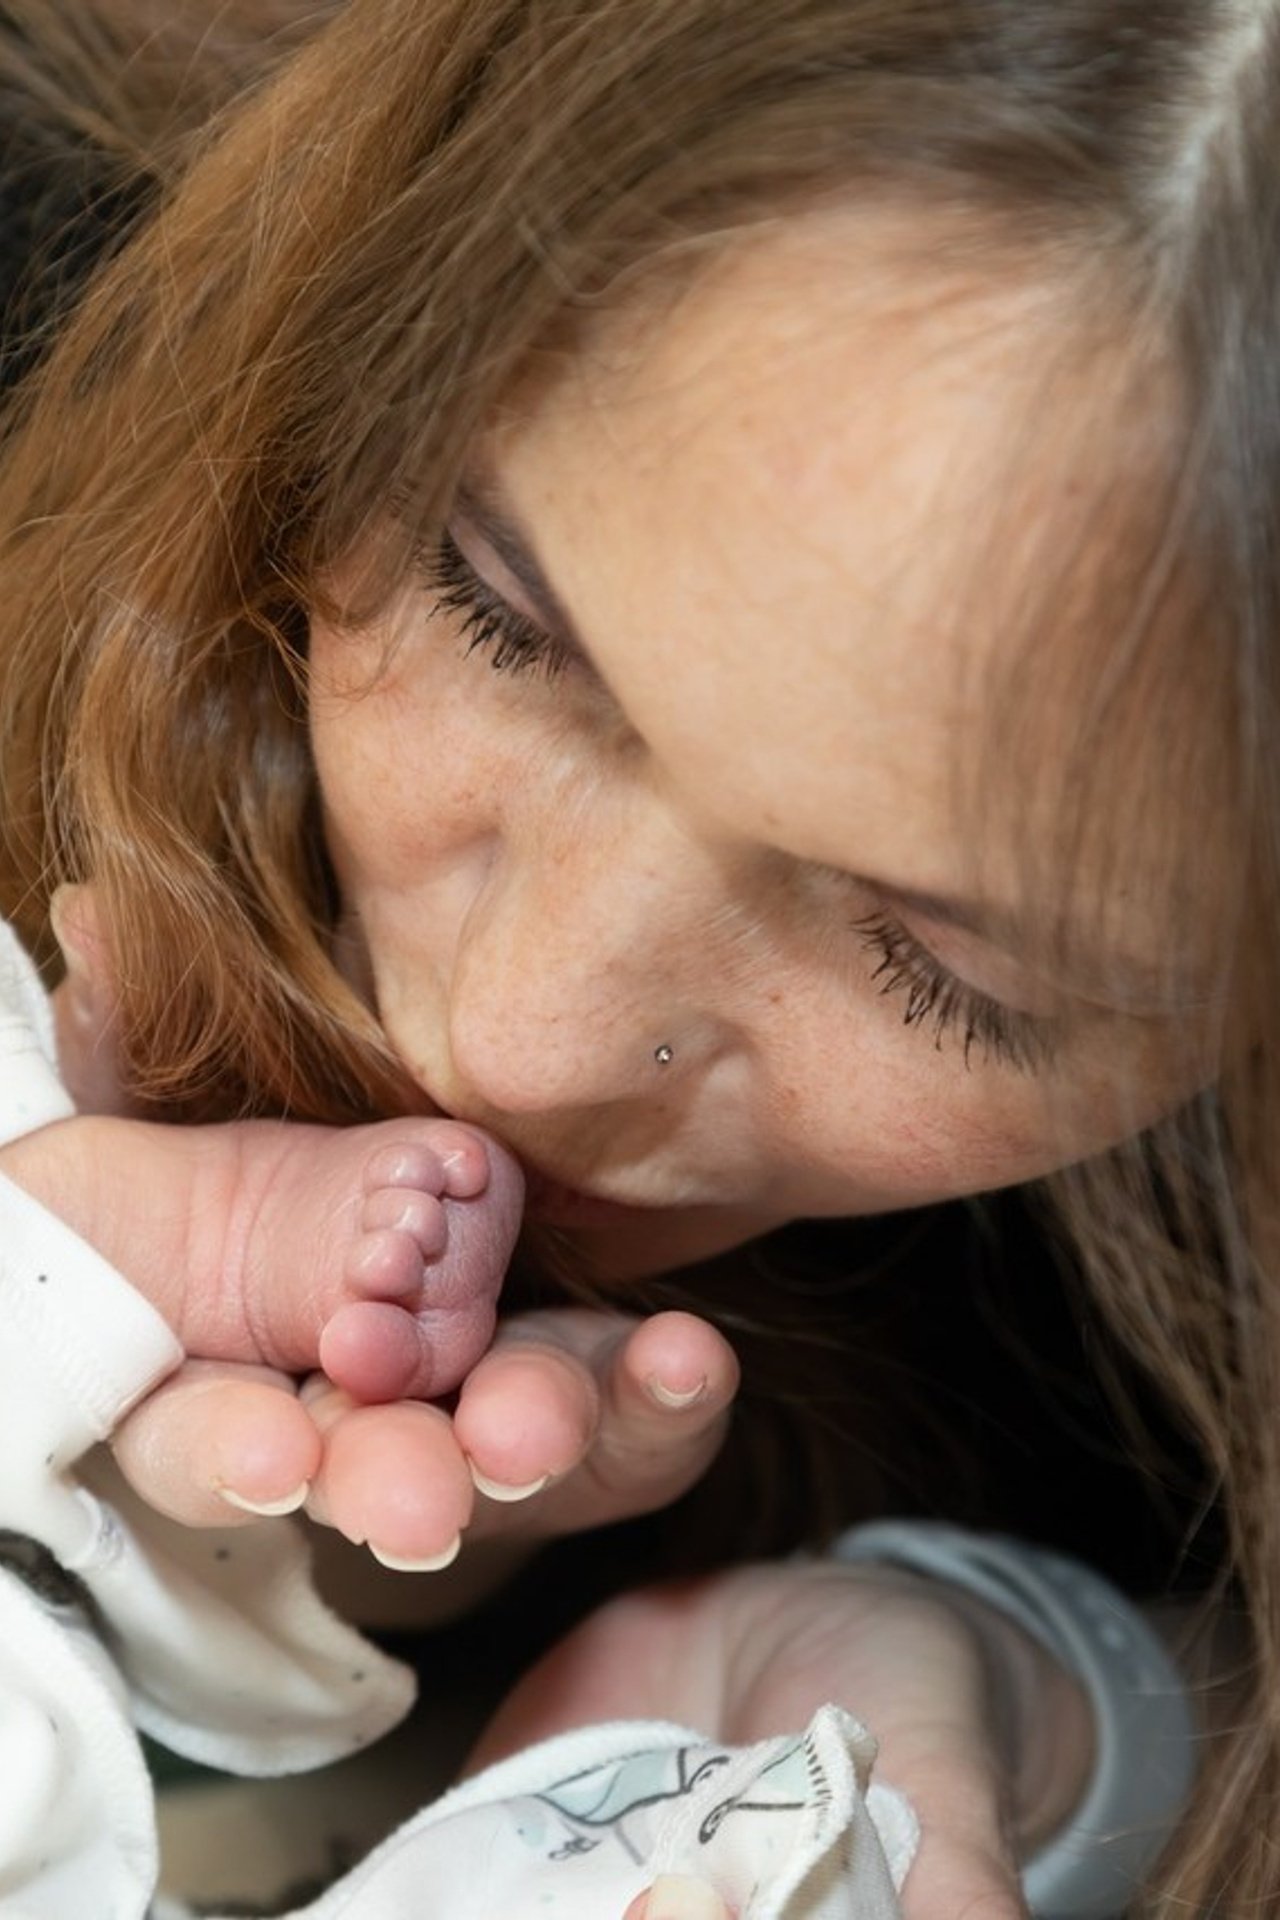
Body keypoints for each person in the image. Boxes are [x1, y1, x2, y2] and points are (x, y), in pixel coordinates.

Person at [0, 0, 1271, 1913]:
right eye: (495, 608)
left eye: (950, 971)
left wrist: (1054, 1705)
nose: (516, 1040)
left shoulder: (1126, 1355)